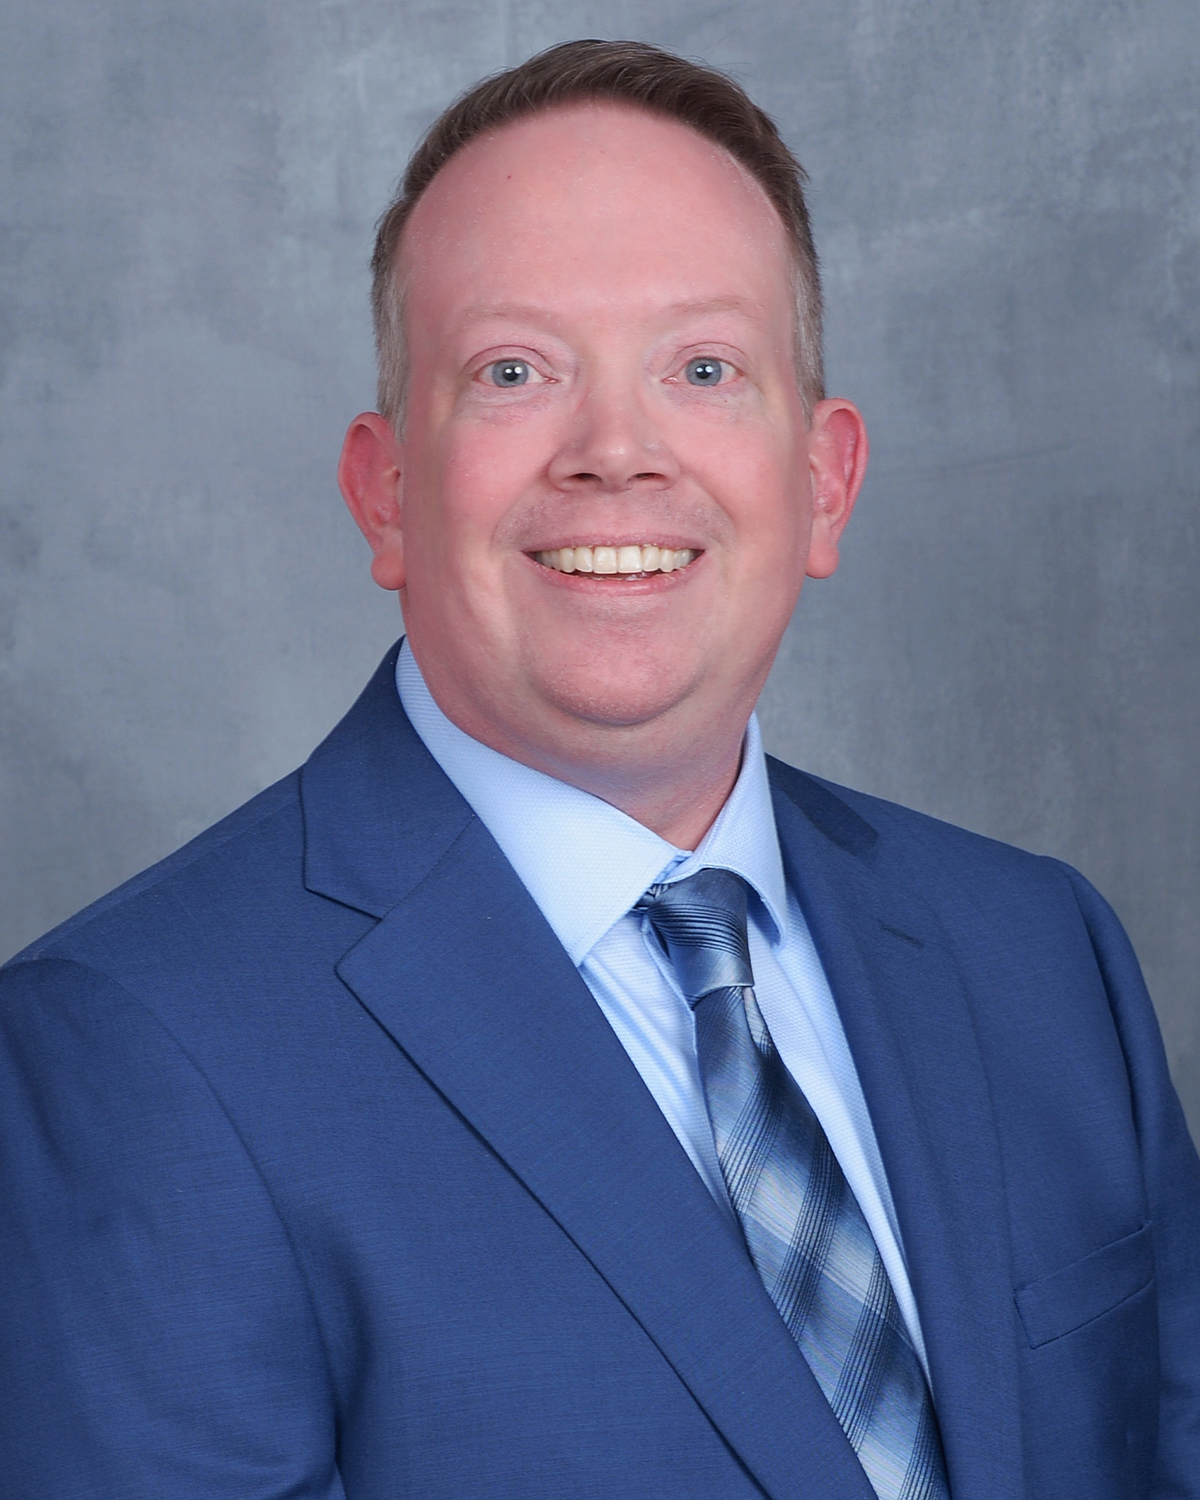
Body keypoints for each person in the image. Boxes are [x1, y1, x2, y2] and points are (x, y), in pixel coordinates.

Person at [1, 38, 1196, 1500]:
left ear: (824, 481)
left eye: (704, 368)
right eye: (515, 372)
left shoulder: (1042, 954)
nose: (617, 451)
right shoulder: (132, 1053)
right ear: (386, 493)